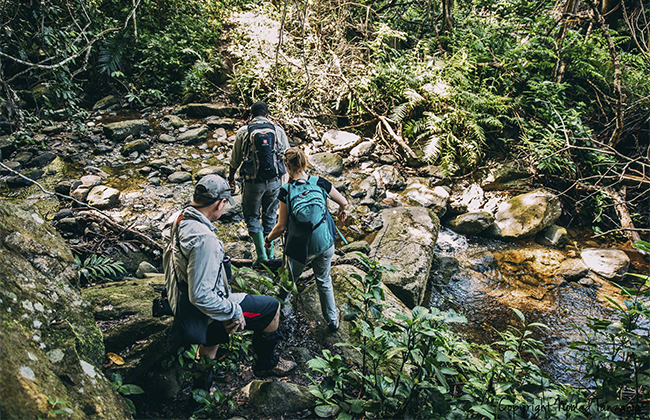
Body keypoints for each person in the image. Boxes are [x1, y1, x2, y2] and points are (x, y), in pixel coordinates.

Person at [164, 174, 296, 379]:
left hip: (182, 304)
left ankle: (200, 394)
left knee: (211, 342)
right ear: (219, 204)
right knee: (271, 308)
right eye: (225, 204)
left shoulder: (179, 218)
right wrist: (232, 311)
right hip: (200, 309)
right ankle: (266, 364)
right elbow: (200, 295)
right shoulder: (204, 239)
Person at [264, 147, 348, 332]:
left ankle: (276, 308)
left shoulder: (285, 191)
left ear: (286, 165)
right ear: (304, 163)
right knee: (324, 281)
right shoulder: (320, 182)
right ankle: (332, 321)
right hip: (325, 244)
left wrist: (268, 240)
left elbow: (280, 227)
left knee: (288, 279)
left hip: (301, 250)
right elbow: (343, 202)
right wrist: (342, 211)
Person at [228, 101, 290, 265]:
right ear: (267, 115)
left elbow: (235, 159)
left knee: (252, 217)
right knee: (270, 216)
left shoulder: (244, 131)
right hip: (274, 182)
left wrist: (231, 178)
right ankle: (270, 254)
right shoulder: (277, 130)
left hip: (253, 183)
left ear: (251, 115)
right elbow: (287, 155)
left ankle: (261, 255)